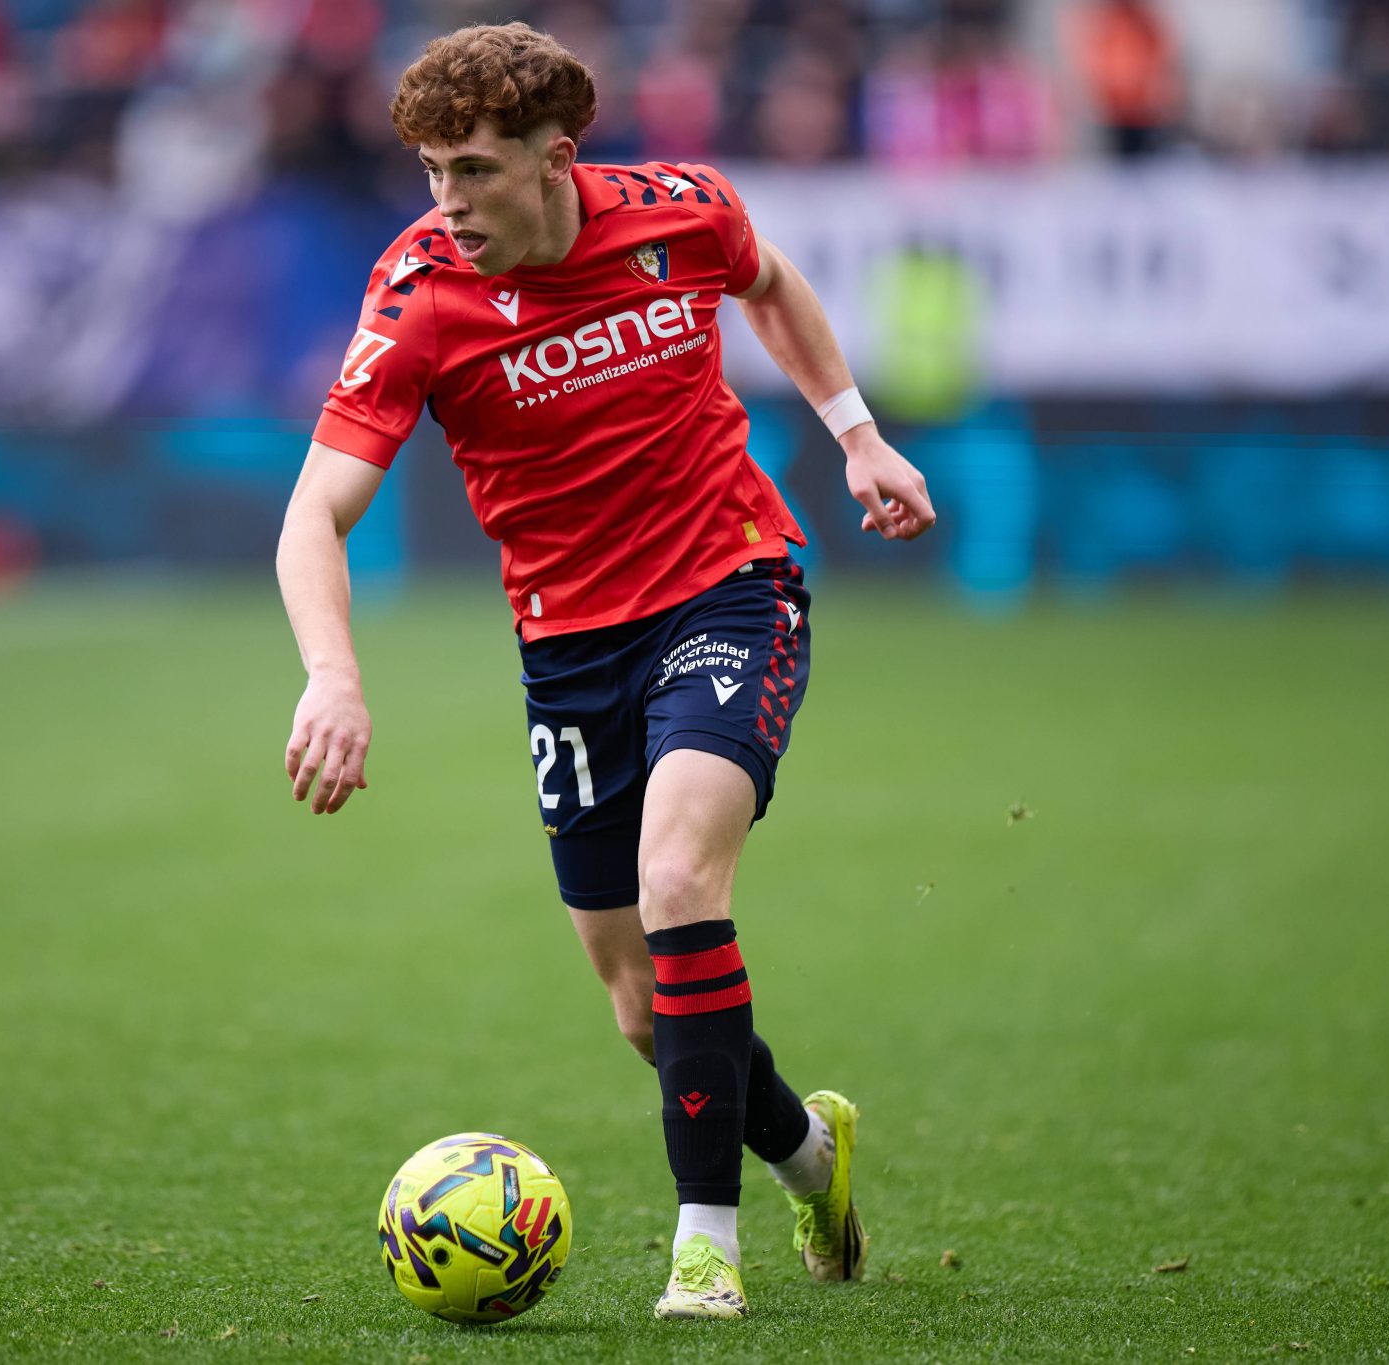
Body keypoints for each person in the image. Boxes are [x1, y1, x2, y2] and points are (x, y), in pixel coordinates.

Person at [275, 22, 935, 1321]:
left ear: (555, 157)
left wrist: (857, 436)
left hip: (728, 586)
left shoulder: (679, 212)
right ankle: (811, 1153)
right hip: (569, 652)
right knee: (645, 1008)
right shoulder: (416, 297)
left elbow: (773, 282)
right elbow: (314, 514)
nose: (446, 202)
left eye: (471, 170)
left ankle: (705, 1248)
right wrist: (330, 677)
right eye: (428, 172)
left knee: (681, 878)